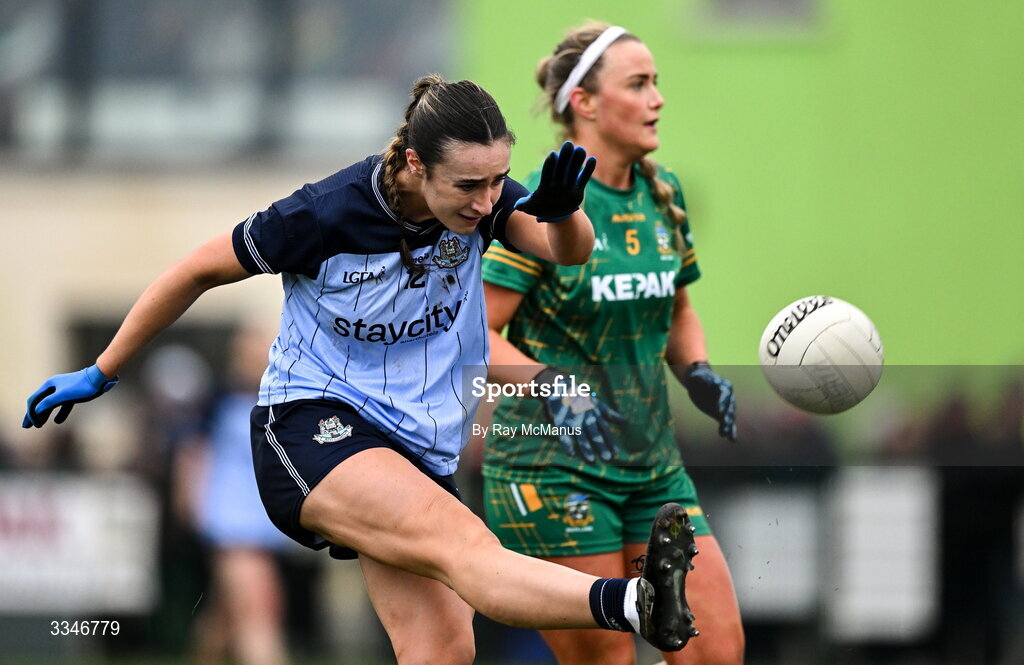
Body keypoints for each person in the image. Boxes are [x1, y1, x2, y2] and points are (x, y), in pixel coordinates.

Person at [22, 75, 699, 663]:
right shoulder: (323, 213)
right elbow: (196, 269)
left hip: (414, 448)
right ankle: (638, 602)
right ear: (412, 162)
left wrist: (563, 211)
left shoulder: (483, 202)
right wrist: (104, 368)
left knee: (443, 648)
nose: (486, 202)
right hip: (311, 427)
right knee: (469, 548)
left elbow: (567, 251)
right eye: (468, 184)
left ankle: (637, 602)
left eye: (498, 181)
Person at [480, 25, 744, 665]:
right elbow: (473, 335)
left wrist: (698, 369)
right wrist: (556, 390)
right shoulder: (547, 205)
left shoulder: (663, 193)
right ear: (586, 103)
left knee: (717, 653)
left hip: (652, 465)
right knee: (606, 660)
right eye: (639, 83)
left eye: (656, 82)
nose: (657, 99)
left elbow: (679, 307)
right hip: (555, 467)